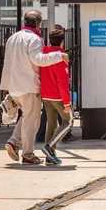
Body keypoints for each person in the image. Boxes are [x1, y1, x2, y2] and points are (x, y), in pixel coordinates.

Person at [1, 10, 69, 165]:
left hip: (13, 85)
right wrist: (59, 56)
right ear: (38, 24)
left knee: (26, 117)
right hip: (29, 85)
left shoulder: (13, 37)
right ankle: (28, 155)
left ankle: (13, 142)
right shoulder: (34, 38)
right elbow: (38, 59)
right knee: (32, 121)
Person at [40, 29, 72, 165]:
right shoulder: (61, 57)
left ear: (49, 40)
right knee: (68, 122)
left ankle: (49, 157)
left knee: (51, 124)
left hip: (46, 95)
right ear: (62, 42)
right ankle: (50, 147)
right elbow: (63, 82)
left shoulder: (43, 54)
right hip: (57, 97)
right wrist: (67, 102)